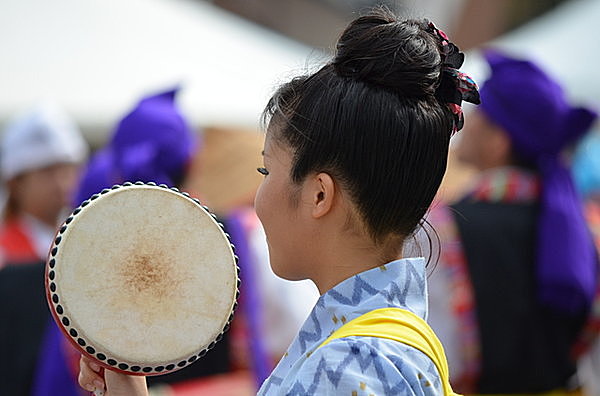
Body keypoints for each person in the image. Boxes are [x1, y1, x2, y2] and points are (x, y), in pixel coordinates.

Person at [78, 9, 480, 395]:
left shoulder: (349, 364)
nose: (258, 199)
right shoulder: (393, 341)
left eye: (266, 172)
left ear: (319, 194)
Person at [427, 50, 598, 394]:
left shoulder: (450, 228)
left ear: (498, 140)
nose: (466, 121)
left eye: (478, 112)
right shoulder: (579, 237)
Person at [0, 103, 88, 268]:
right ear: (15, 183)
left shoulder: (88, 242)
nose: (60, 181)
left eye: (66, 169)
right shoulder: (4, 255)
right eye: (47, 171)